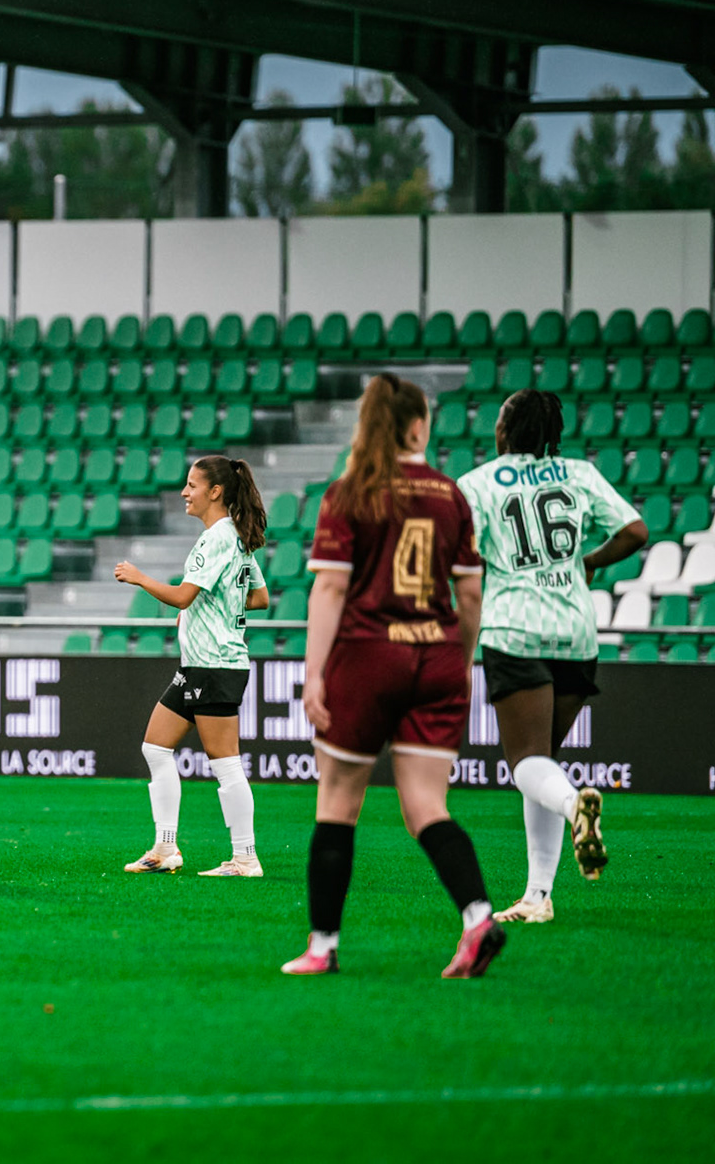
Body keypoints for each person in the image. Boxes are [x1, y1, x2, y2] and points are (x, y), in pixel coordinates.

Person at [284, 373, 501, 979]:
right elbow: (471, 593)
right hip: (434, 655)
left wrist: (314, 674)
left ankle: (322, 948)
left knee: (337, 805)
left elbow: (330, 587)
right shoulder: (449, 494)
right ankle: (478, 917)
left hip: (368, 656)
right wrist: (457, 663)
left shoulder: (351, 492)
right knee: (428, 805)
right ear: (415, 426)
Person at [458, 389, 644, 923]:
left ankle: (574, 807)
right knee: (540, 762)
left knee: (526, 765)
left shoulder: (480, 483)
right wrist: (589, 562)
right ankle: (538, 897)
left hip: (515, 627)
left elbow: (464, 557)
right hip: (576, 631)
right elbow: (636, 530)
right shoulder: (579, 473)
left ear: (505, 430)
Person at [114, 457, 271, 878]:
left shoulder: (216, 539)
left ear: (215, 491)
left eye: (191, 485)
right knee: (155, 746)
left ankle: (245, 857)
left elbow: (183, 596)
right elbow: (258, 597)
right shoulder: (233, 538)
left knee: (226, 762)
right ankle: (165, 848)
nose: (185, 492)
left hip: (216, 664)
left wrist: (139, 577)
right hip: (199, 664)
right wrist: (210, 609)